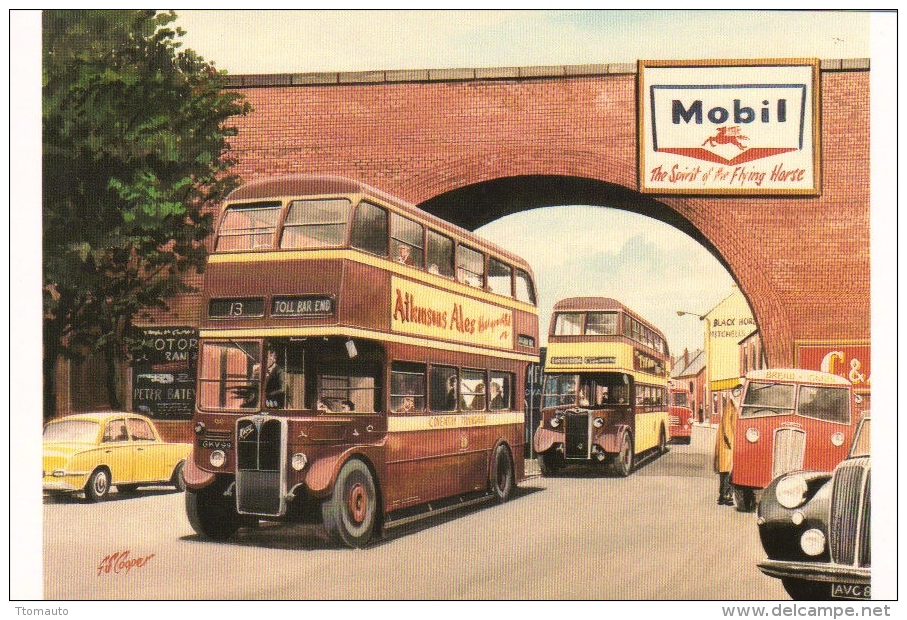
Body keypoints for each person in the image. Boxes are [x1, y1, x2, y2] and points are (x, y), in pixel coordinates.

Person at [714, 384, 741, 506]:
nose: (739, 394)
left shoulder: (735, 405)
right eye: (737, 392)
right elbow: (726, 425)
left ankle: (725, 496)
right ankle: (724, 496)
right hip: (727, 444)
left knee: (728, 471)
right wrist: (731, 441)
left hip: (730, 442)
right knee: (726, 471)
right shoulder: (731, 405)